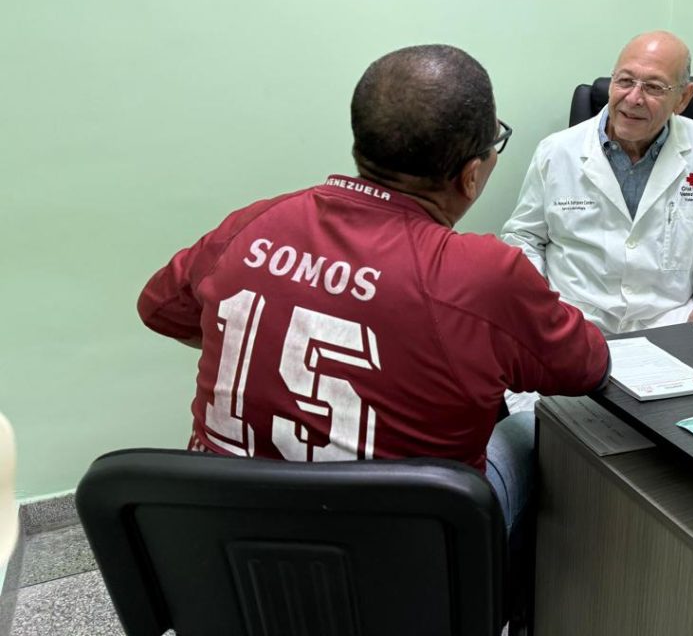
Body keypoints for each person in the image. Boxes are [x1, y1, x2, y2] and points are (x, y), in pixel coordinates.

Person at [137, 44, 609, 544]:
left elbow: (161, 310)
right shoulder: (484, 275)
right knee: (533, 427)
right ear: (471, 176)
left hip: (221, 541)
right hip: (400, 561)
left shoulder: (256, 221)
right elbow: (588, 367)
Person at [502, 30, 693, 334]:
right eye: (625, 81)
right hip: (573, 326)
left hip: (673, 326)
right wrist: (535, 304)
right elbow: (524, 237)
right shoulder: (556, 151)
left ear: (683, 98)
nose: (634, 98)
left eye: (654, 87)